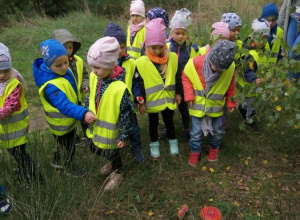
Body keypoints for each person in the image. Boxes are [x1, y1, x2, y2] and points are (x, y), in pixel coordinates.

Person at [33, 39, 97, 177]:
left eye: (66, 62)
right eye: (58, 65)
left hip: (68, 121)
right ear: (48, 65)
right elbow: (64, 105)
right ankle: (69, 167)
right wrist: (83, 113)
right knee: (69, 148)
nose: (64, 67)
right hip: (61, 125)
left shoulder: (62, 73)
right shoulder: (50, 86)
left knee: (65, 144)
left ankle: (57, 160)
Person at [86, 36, 134, 191]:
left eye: (98, 67)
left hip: (112, 131)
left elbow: (127, 114)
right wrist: (87, 109)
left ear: (110, 65)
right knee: (94, 147)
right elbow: (92, 96)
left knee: (113, 151)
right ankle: (112, 163)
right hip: (96, 126)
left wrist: (124, 135)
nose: (93, 71)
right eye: (92, 66)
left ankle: (118, 172)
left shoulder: (120, 88)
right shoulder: (95, 77)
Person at [182, 40, 236, 165]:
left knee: (217, 130)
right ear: (210, 57)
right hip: (197, 106)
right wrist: (189, 95)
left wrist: (231, 102)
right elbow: (186, 76)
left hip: (216, 107)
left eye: (221, 70)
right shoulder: (195, 63)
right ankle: (195, 151)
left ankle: (214, 148)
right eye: (215, 67)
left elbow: (230, 85)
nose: (217, 71)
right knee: (196, 132)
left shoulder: (229, 68)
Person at [136, 18, 181, 158]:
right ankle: (154, 144)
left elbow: (177, 76)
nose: (157, 51)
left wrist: (178, 93)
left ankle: (173, 141)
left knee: (169, 121)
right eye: (153, 47)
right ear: (147, 46)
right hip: (152, 100)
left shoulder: (171, 58)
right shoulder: (142, 62)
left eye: (160, 47)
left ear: (164, 45)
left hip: (168, 99)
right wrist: (141, 101)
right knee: (153, 123)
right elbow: (140, 83)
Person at [0, 43, 41, 184]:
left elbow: (9, 107)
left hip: (16, 130)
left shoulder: (14, 84)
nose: (2, 75)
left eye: (6, 71)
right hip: (6, 130)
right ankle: (23, 169)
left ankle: (34, 176)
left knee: (20, 154)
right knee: (16, 154)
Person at [103, 23, 144, 163]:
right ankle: (114, 149)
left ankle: (136, 148)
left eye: (122, 46)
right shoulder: (104, 65)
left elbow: (136, 81)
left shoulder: (131, 63)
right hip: (111, 105)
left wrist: (138, 95)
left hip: (127, 104)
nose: (120, 50)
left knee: (133, 128)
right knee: (113, 127)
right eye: (116, 48)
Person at [160, 8, 199, 141]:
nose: (181, 36)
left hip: (184, 84)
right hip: (170, 83)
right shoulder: (166, 46)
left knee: (184, 108)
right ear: (172, 32)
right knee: (168, 108)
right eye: (177, 33)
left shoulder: (191, 48)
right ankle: (168, 126)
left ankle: (186, 127)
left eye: (183, 33)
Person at [51, 29, 90, 145]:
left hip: (79, 97)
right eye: (64, 47)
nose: (68, 51)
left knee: (84, 116)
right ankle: (73, 138)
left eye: (70, 47)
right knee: (69, 119)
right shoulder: (56, 66)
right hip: (66, 99)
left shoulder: (78, 60)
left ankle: (88, 136)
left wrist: (85, 84)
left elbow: (84, 75)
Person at [236, 18, 270, 130]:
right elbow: (247, 70)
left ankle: (243, 107)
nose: (263, 41)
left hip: (258, 81)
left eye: (265, 38)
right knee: (253, 104)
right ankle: (250, 121)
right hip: (249, 84)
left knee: (256, 101)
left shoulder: (262, 49)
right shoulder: (248, 53)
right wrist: (254, 79)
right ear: (253, 36)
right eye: (260, 38)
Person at [278, 0, 300, 83]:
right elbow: (286, 4)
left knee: (294, 54)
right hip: (294, 18)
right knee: (290, 58)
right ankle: (292, 89)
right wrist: (277, 25)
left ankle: (292, 87)